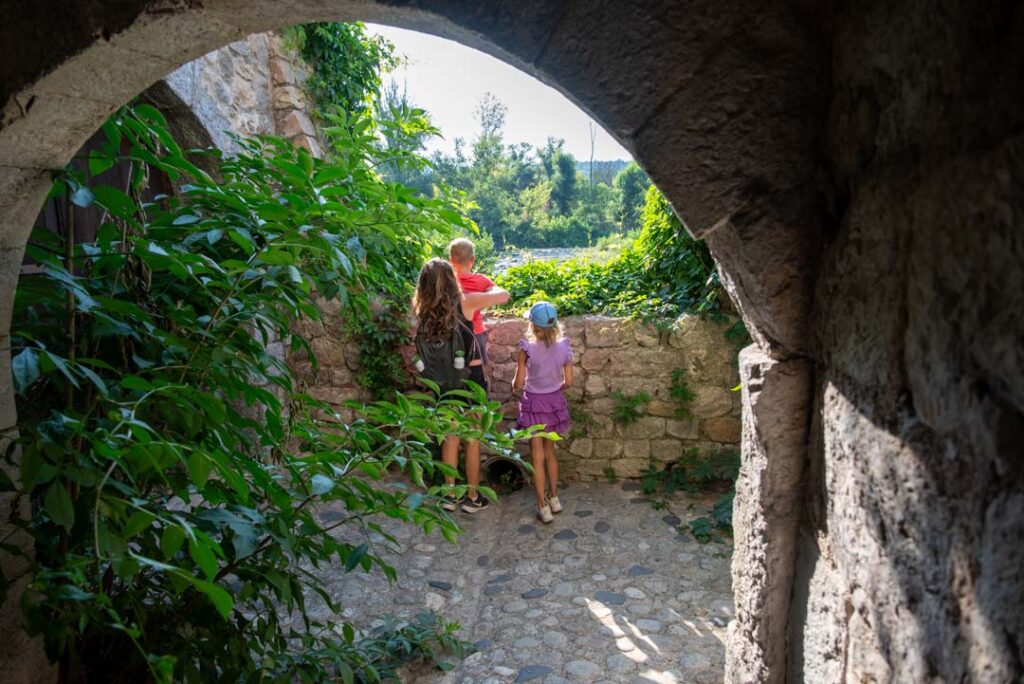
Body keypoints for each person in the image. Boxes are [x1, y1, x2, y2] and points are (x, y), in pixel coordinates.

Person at [412, 258, 509, 514]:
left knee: (450, 439)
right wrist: (486, 284)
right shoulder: (465, 302)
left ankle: (449, 496)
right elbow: (504, 295)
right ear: (451, 278)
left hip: (442, 383)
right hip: (470, 378)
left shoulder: (423, 310)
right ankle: (473, 497)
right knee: (473, 438)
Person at [512, 301, 573, 524]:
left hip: (534, 405)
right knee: (550, 453)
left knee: (536, 457)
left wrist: (515, 385)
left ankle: (542, 506)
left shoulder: (526, 349)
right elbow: (569, 381)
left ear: (532, 325)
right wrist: (553, 388)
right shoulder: (564, 346)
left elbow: (518, 383)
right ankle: (554, 498)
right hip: (554, 403)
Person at [448, 238, 496, 367]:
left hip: (452, 332)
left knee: (455, 367)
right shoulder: (481, 280)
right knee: (477, 368)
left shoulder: (448, 281)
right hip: (476, 331)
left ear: (450, 260)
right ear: (472, 259)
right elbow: (496, 292)